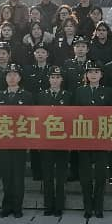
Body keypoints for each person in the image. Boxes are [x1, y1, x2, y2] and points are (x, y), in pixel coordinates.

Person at [0, 64, 34, 218]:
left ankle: (17, 207)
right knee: (6, 176)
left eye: (15, 75)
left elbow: (31, 118)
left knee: (18, 177)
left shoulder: (27, 96)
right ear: (5, 78)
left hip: (20, 141)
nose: (11, 77)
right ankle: (6, 206)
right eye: (9, 75)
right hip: (3, 140)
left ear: (20, 78)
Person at [74, 61, 112, 218]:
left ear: (101, 75)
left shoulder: (108, 91)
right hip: (84, 136)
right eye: (90, 72)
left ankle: (98, 206)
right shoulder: (79, 91)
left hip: (102, 137)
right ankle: (87, 207)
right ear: (86, 75)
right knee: (85, 175)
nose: (93, 74)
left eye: (97, 72)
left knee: (101, 174)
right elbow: (74, 114)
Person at [36, 66, 73, 216]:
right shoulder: (41, 96)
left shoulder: (68, 96)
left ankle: (59, 206)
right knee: (48, 175)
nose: (55, 80)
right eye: (52, 77)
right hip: (46, 141)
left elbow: (72, 118)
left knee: (61, 176)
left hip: (63, 141)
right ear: (48, 79)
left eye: (58, 77)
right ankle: (48, 205)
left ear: (62, 79)